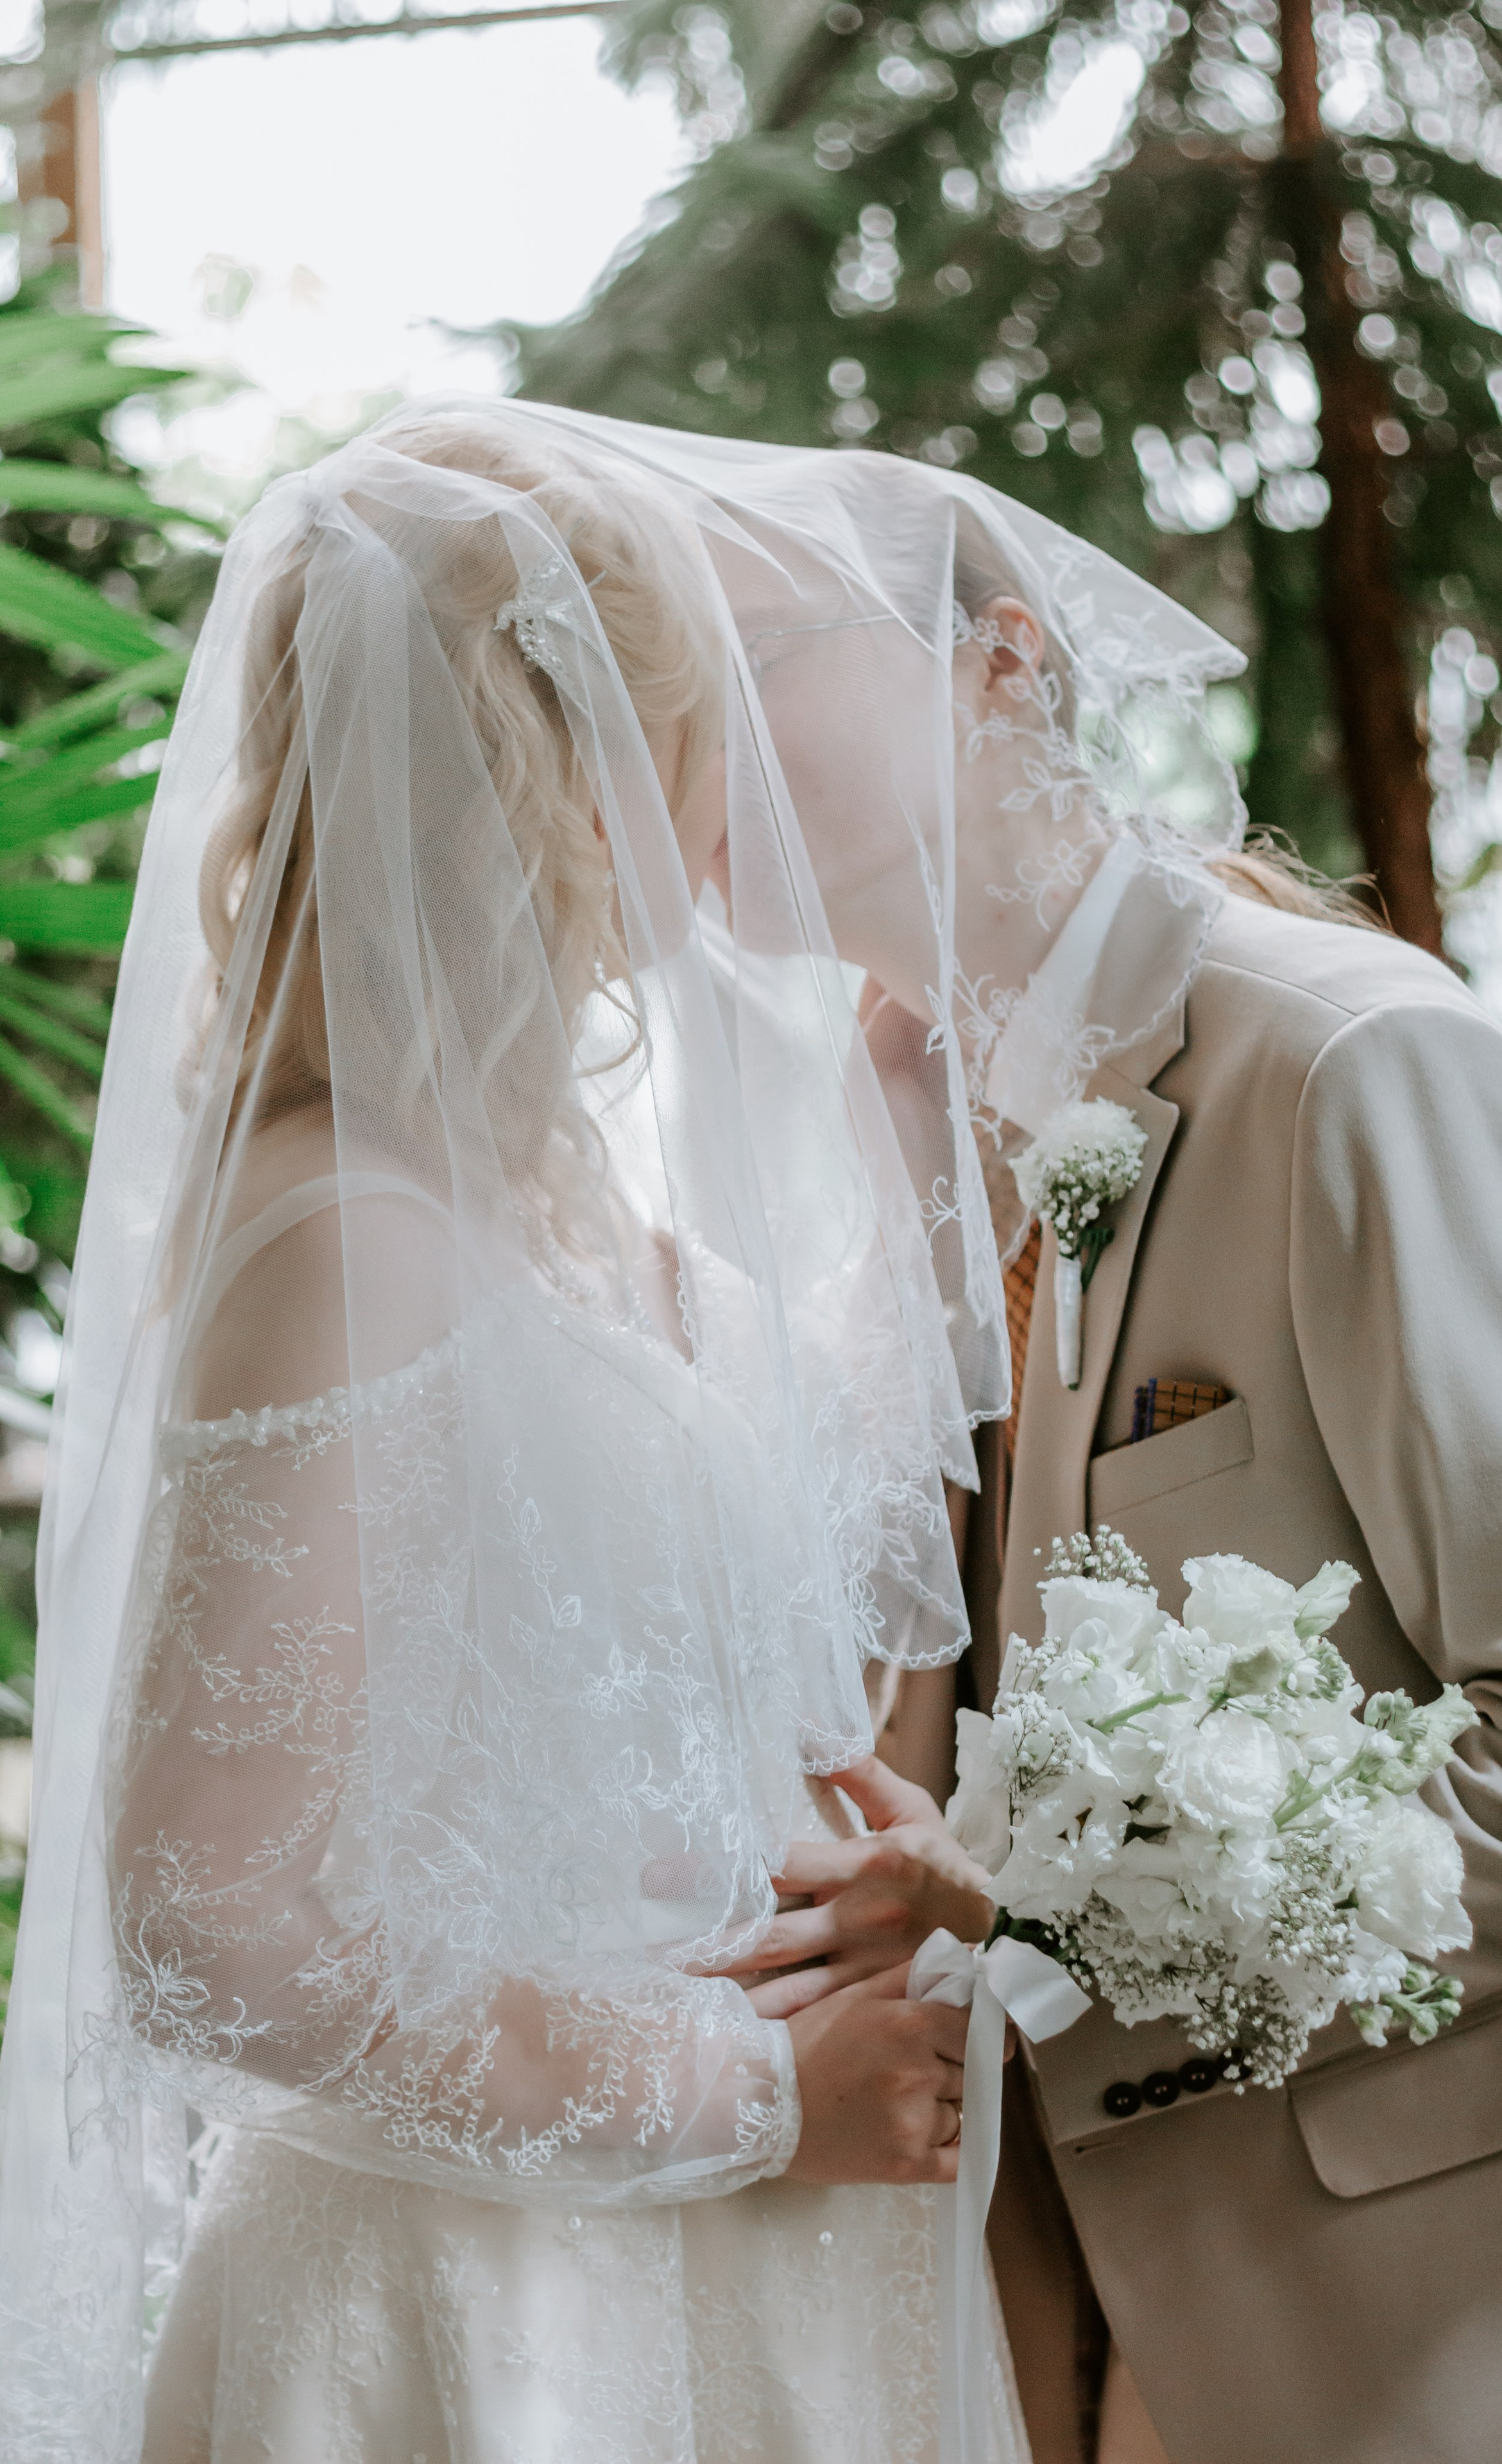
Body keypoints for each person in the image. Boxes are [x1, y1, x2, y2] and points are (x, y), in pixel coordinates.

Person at [0, 406, 1040, 2464]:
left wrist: (927, 1145)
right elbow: (212, 1936)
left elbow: (742, 1604)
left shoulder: (536, 1181)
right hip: (489, 2319)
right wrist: (752, 2104)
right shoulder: (340, 1231)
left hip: (742, 2276)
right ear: (566, 784)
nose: (722, 796)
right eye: (688, 735)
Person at [701, 445, 1502, 2463]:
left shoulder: (1350, 1071)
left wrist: (1042, 1913)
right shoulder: (875, 1152)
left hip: (1455, 2324)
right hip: (1051, 2337)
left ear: (1004, 670)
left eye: (756, 649)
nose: (696, 718)